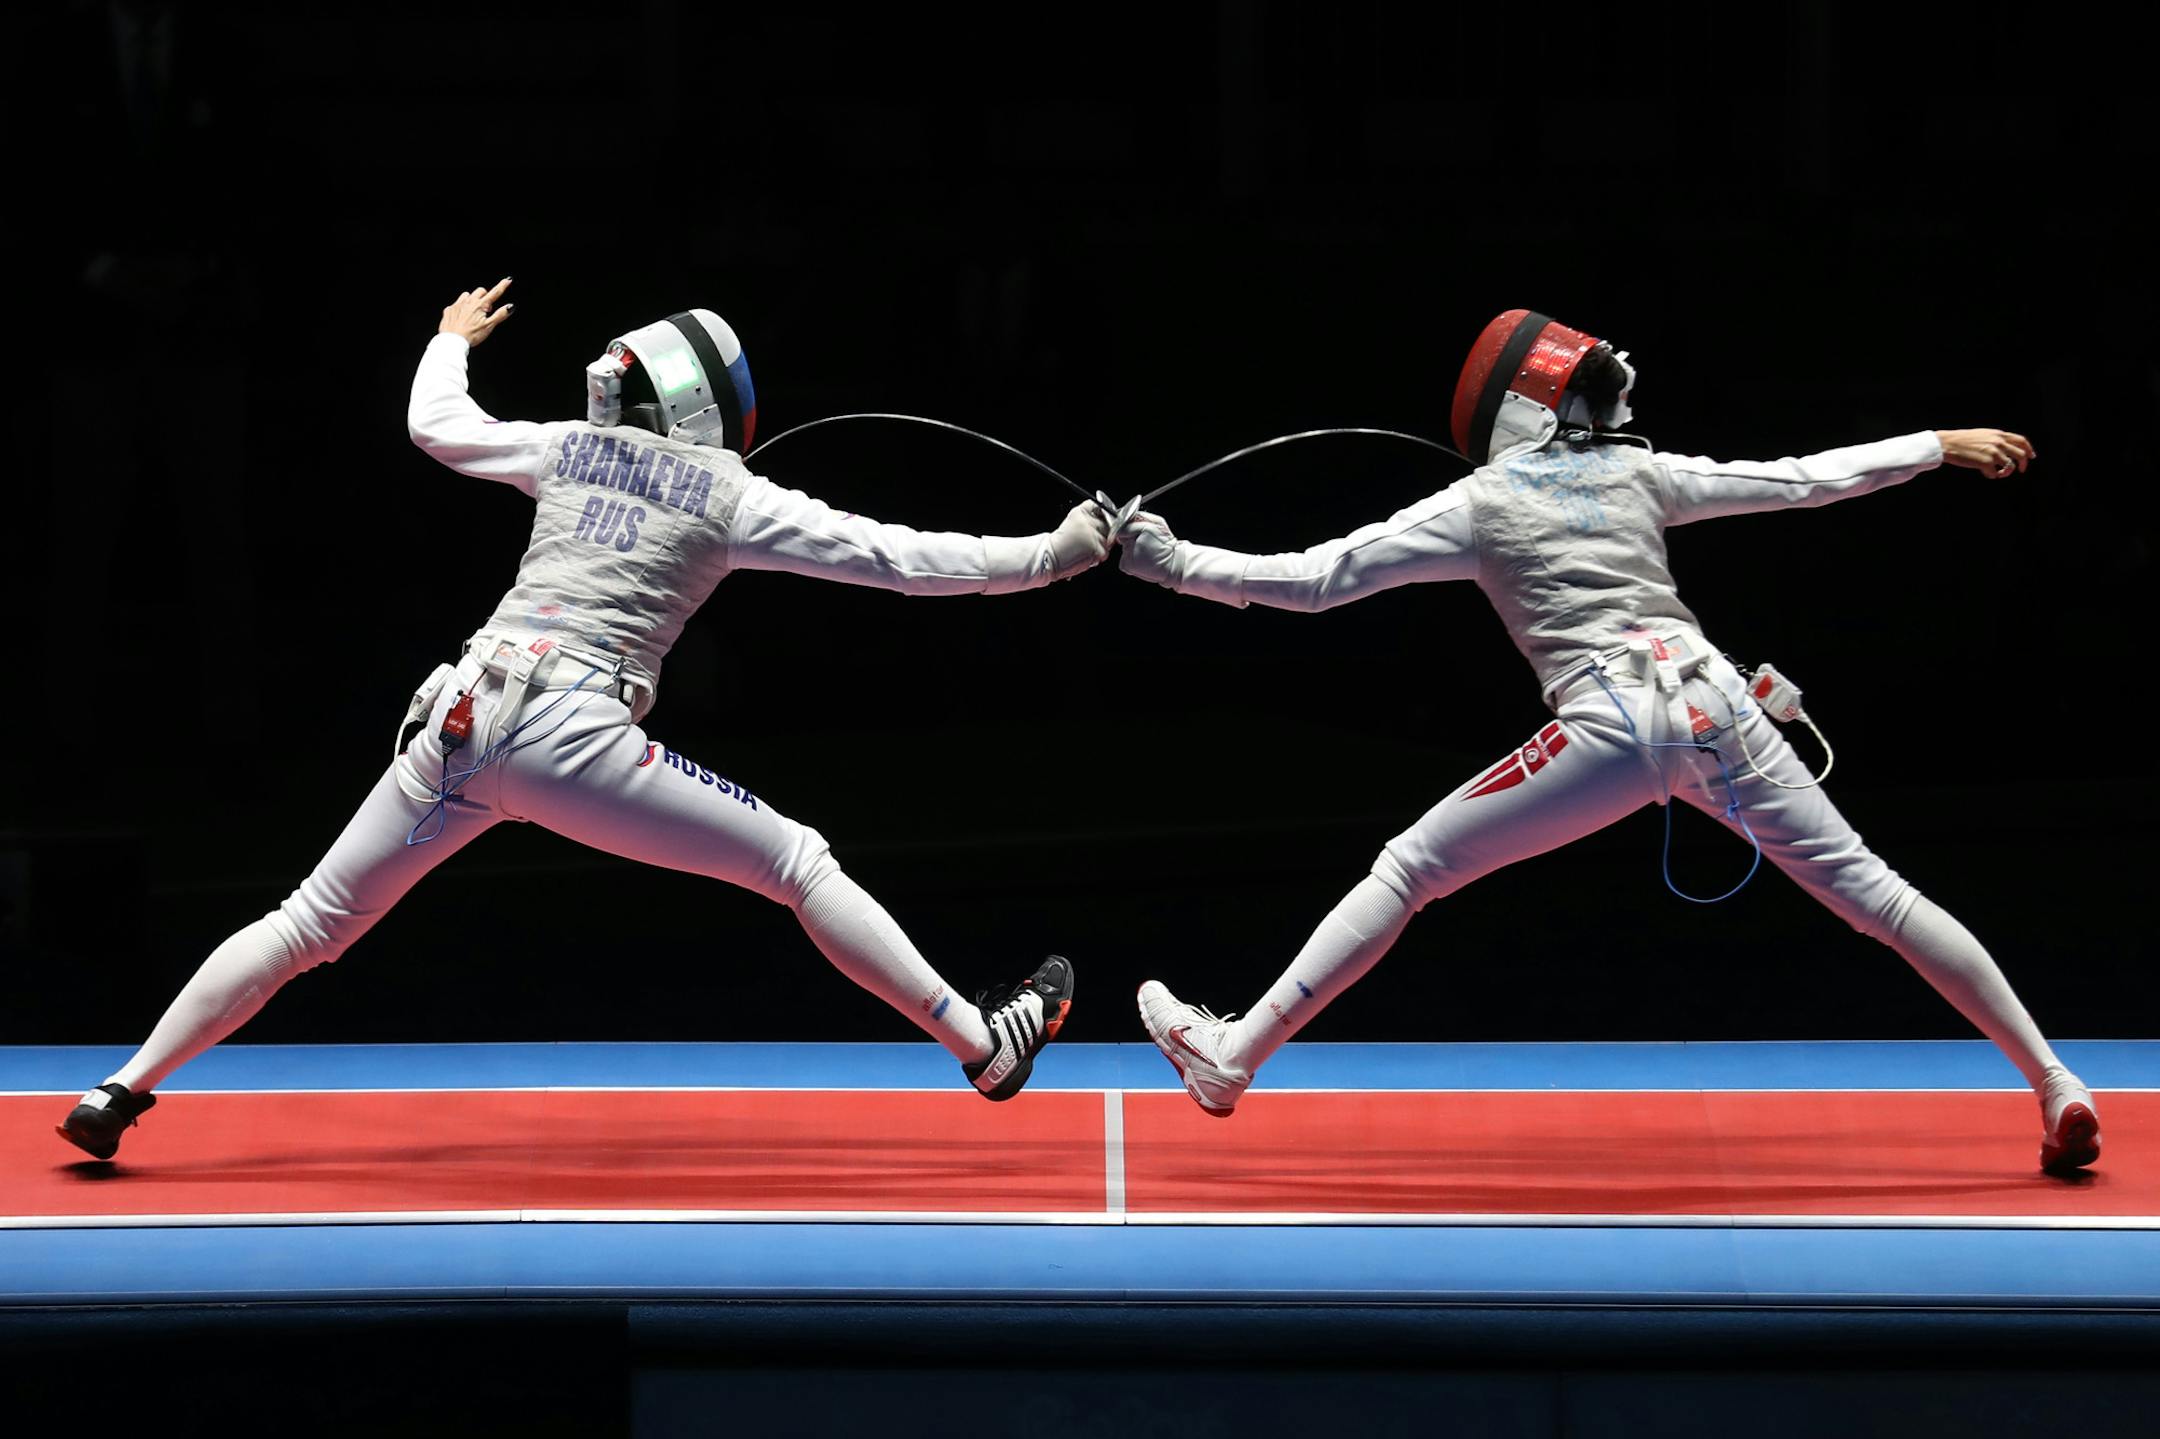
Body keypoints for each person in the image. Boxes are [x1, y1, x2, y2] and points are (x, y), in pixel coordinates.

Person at [57, 279, 1104, 1160]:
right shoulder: (732, 495)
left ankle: (120, 1088)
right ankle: (983, 1047)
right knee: (797, 861)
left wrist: (449, 339)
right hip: (571, 735)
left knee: (307, 923)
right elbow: (904, 559)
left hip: (459, 718)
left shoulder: (564, 447)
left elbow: (436, 424)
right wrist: (1055, 555)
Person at [1116, 308, 2101, 1176]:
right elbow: (1799, 481)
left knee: (1411, 866)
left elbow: (1313, 579)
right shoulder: (1638, 473)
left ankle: (1232, 1056)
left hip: (1611, 722)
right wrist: (1936, 442)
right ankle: (2055, 1082)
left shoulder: (1478, 503)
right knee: (1880, 894)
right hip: (1720, 706)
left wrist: (1168, 562)